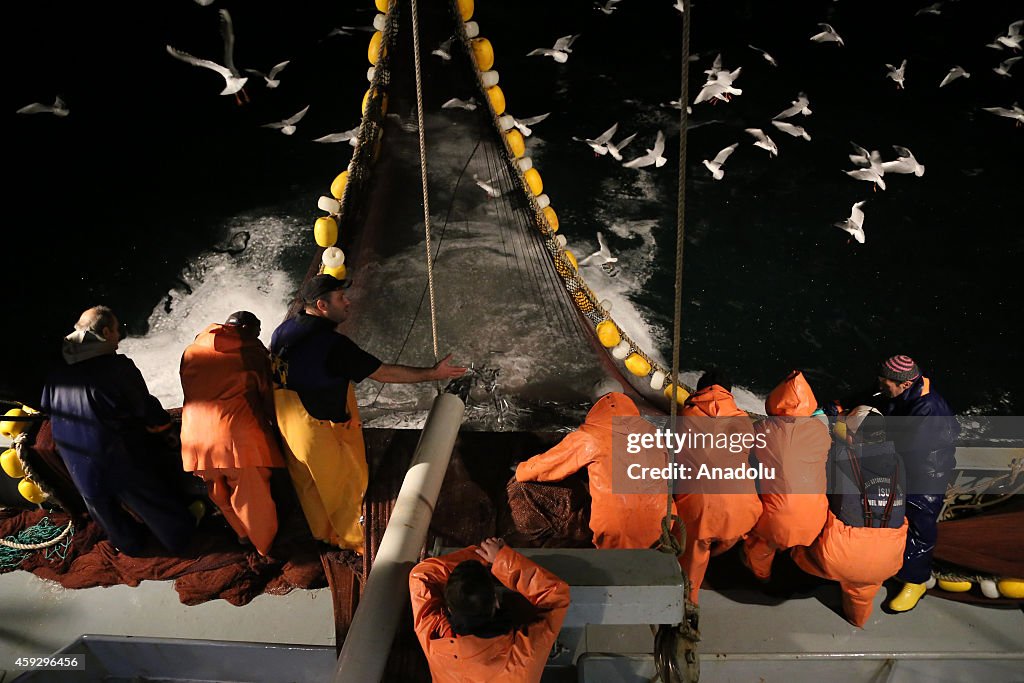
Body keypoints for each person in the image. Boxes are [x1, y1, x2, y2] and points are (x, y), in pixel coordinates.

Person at [270, 274, 467, 552]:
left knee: (308, 484)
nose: (348, 302)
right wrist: (433, 373)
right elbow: (384, 373)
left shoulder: (285, 329)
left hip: (286, 417)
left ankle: (323, 534)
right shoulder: (333, 346)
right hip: (314, 425)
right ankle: (355, 543)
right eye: (341, 298)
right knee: (344, 486)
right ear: (321, 305)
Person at [40, 306, 195, 555]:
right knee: (155, 504)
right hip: (115, 458)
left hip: (75, 461)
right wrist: (167, 432)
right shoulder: (118, 367)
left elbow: (47, 406)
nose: (119, 338)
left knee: (104, 510)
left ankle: (130, 547)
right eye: (116, 331)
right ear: (105, 331)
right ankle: (180, 540)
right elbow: (146, 409)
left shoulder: (57, 370)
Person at [179, 311, 285, 556]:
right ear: (248, 329)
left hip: (195, 438)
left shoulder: (190, 351)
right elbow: (268, 396)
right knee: (251, 499)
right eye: (257, 333)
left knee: (217, 488)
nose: (258, 337)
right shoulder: (251, 353)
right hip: (236, 440)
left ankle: (242, 535)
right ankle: (263, 547)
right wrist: (279, 427)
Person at [791, 405, 908, 627]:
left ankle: (788, 576)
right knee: (863, 587)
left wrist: (827, 422)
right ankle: (857, 619)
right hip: (888, 559)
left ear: (852, 437)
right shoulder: (898, 461)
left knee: (799, 541)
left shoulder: (837, 456)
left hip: (841, 555)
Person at [514, 390, 667, 549]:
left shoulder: (591, 435)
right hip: (663, 528)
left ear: (596, 409)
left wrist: (520, 470)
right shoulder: (652, 433)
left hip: (618, 534)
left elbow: (547, 465)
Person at [409, 537, 570, 683]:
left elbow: (421, 576)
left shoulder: (434, 639)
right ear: (496, 602)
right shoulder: (523, 655)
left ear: (449, 608)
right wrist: (498, 558)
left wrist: (491, 558)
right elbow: (556, 597)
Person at [874, 355, 960, 612]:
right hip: (902, 463)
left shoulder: (929, 409)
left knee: (920, 525)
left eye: (885, 383)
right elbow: (870, 395)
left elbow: (912, 448)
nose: (880, 386)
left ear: (905, 384)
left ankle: (916, 581)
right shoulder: (898, 389)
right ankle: (888, 565)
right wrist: (832, 409)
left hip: (926, 472)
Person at [673, 369, 763, 604]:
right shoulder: (743, 420)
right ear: (729, 393)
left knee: (695, 548)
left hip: (701, 513)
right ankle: (726, 550)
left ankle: (689, 600)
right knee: (733, 524)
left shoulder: (686, 415)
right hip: (744, 512)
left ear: (699, 390)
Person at [742, 370, 832, 581]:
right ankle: (796, 558)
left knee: (760, 542)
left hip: (777, 524)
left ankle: (761, 573)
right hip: (816, 521)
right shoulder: (821, 432)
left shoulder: (763, 429)